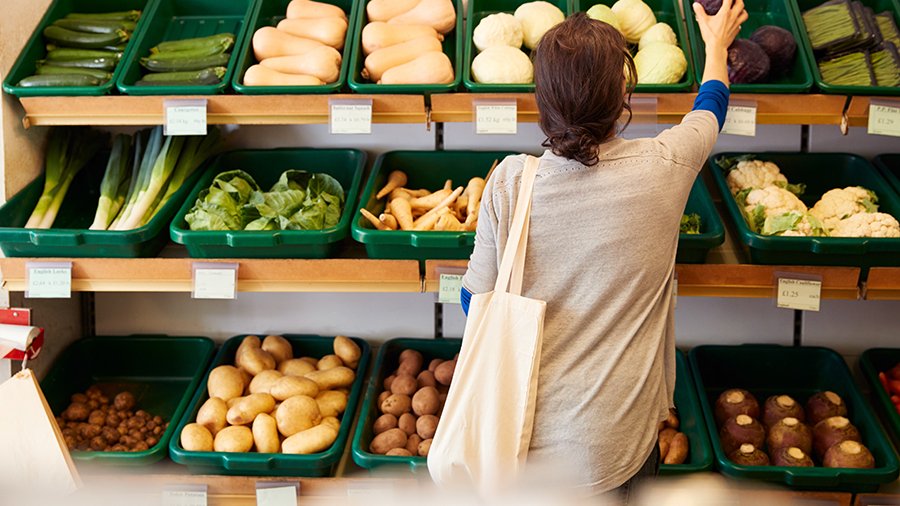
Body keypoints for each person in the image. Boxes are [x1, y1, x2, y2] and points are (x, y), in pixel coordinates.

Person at [459, 0, 747, 501]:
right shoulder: (666, 164)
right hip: (619, 442)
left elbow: (473, 303)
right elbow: (711, 108)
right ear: (622, 95)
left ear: (541, 97)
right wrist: (716, 44)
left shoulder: (509, 180)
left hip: (519, 441)